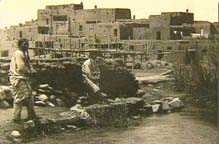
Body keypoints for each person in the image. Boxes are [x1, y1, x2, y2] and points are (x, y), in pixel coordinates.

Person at [9, 39, 38, 123]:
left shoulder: (24, 54)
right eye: (24, 44)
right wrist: (30, 72)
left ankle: (31, 116)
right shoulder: (19, 53)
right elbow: (21, 67)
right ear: (19, 45)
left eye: (27, 44)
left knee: (29, 96)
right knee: (20, 97)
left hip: (22, 78)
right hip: (18, 78)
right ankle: (16, 117)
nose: (26, 46)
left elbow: (28, 65)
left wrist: (32, 70)